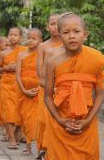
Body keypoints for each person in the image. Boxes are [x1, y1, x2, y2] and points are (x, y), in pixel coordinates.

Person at [44, 13, 104, 160]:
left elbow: (100, 94)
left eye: (76, 31)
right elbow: (47, 96)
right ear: (59, 37)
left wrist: (87, 121)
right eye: (66, 33)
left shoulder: (96, 59)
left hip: (86, 122)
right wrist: (59, 120)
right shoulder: (52, 62)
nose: (71, 36)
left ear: (85, 35)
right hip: (60, 123)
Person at [35, 13, 63, 158]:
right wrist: (52, 89)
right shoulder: (43, 47)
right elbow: (40, 75)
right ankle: (44, 149)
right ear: (47, 27)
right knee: (44, 121)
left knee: (60, 123)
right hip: (46, 90)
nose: (56, 26)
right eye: (52, 23)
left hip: (65, 92)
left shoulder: (70, 46)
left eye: (59, 23)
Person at [0, 27, 27, 149]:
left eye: (15, 35)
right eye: (10, 34)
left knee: (21, 112)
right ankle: (12, 140)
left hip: (22, 84)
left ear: (21, 37)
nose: (12, 37)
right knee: (8, 112)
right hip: (7, 85)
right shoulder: (3, 53)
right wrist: (6, 68)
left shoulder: (26, 51)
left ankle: (16, 133)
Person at [16, 28, 42, 154]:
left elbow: (45, 75)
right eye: (29, 38)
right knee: (26, 119)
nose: (30, 40)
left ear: (40, 40)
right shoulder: (21, 55)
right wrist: (24, 90)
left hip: (39, 92)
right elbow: (18, 76)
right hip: (24, 93)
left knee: (39, 119)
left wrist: (38, 89)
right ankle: (27, 145)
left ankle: (40, 147)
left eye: (34, 38)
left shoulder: (43, 55)